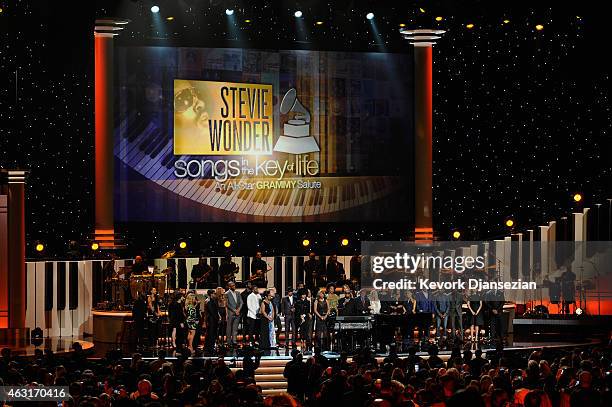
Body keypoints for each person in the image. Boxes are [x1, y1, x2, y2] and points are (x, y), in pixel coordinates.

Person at [225, 281, 242, 348]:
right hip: (231, 313)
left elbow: (241, 302)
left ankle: (234, 341)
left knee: (235, 328)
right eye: (232, 285)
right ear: (229, 286)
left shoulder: (238, 293)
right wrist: (234, 310)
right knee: (229, 328)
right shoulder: (226, 293)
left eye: (234, 285)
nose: (234, 286)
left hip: (237, 313)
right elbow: (227, 304)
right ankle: (228, 342)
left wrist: (238, 310)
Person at [259, 290, 276, 355]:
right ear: (266, 296)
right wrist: (268, 317)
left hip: (270, 319)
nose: (271, 297)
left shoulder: (271, 302)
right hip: (264, 319)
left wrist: (272, 317)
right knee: (265, 332)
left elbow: (273, 311)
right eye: (269, 296)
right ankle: (264, 345)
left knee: (270, 331)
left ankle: (270, 344)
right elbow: (263, 311)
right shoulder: (263, 302)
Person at [205, 290, 219, 355]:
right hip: (211, 320)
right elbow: (212, 312)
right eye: (214, 294)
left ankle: (211, 347)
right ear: (211, 294)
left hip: (214, 320)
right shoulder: (209, 302)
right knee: (211, 335)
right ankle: (209, 348)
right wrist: (217, 318)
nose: (215, 295)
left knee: (213, 334)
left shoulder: (213, 301)